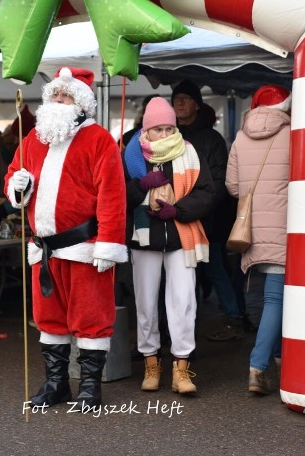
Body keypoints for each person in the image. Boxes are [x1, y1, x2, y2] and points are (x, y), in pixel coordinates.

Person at [4, 66, 127, 411]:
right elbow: (14, 176)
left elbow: (113, 196)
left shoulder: (99, 139)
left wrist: (109, 242)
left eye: (67, 95)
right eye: (55, 94)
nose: (59, 100)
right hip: (44, 251)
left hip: (85, 247)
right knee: (50, 319)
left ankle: (90, 388)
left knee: (90, 317)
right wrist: (16, 188)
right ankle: (56, 383)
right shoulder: (33, 139)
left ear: (82, 103)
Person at [123, 97, 213, 395]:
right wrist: (141, 186)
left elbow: (206, 192)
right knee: (146, 304)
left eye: (168, 128)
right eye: (157, 129)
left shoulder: (189, 152)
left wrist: (179, 210)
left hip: (179, 237)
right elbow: (118, 195)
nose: (163, 135)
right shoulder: (131, 153)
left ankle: (181, 368)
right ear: (145, 130)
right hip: (143, 239)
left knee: (184, 302)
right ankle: (151, 363)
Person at [225, 84, 291, 395]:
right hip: (284, 228)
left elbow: (233, 188)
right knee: (276, 301)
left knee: (273, 299)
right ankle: (258, 366)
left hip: (252, 228)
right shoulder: (293, 133)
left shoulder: (239, 136)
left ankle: (278, 358)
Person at [171, 80, 246, 341]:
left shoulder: (211, 139)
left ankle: (234, 317)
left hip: (207, 219)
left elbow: (219, 180)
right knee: (181, 273)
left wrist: (197, 207)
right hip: (173, 220)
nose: (179, 103)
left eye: (185, 98)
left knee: (214, 267)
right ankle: (182, 323)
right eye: (176, 98)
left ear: (197, 104)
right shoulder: (168, 135)